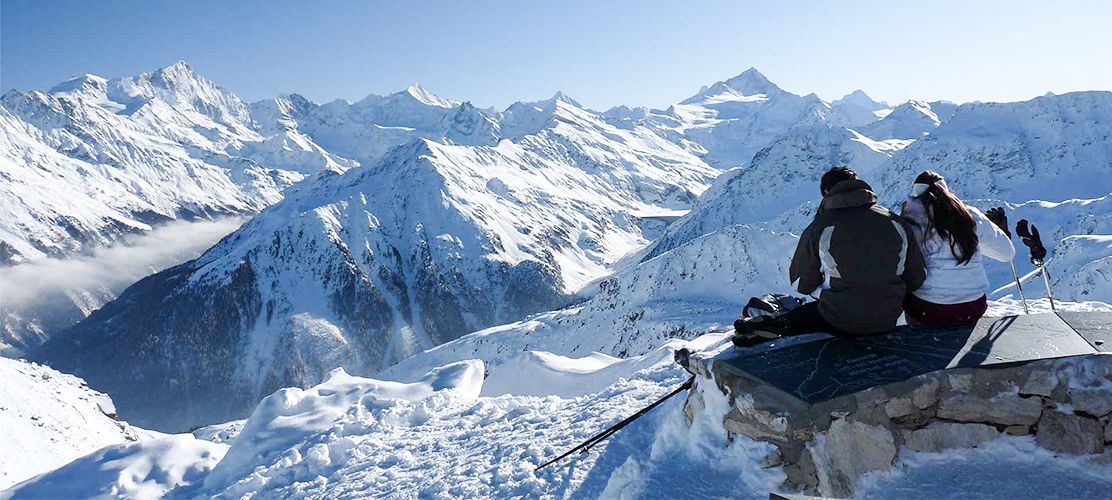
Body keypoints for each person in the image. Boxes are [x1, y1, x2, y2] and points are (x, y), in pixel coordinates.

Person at [733, 166, 927, 347]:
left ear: (826, 193)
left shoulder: (821, 227)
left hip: (840, 318)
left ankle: (770, 326)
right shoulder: (896, 222)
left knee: (797, 318)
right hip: (889, 316)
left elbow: (801, 283)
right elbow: (916, 278)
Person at [899, 171, 1015, 326]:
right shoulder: (969, 216)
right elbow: (1006, 254)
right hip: (971, 307)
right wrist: (1000, 234)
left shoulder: (908, 222)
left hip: (925, 309)